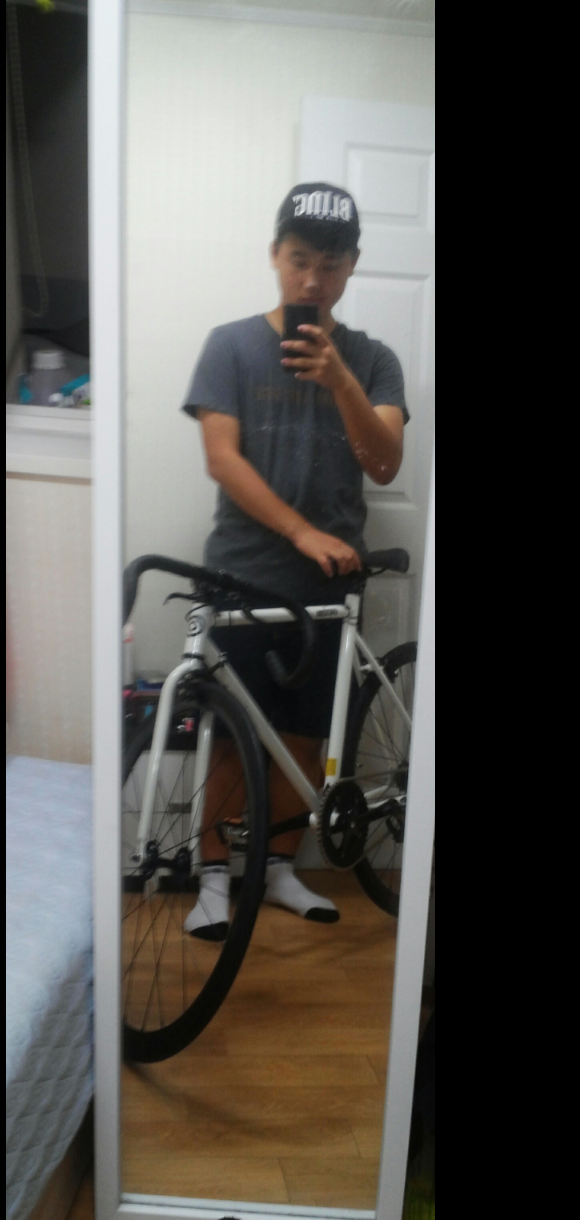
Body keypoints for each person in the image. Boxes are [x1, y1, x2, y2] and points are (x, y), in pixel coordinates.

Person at [181, 182, 409, 938]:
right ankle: (213, 876)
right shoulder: (230, 344)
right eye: (300, 259)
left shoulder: (373, 359)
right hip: (240, 574)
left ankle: (276, 868)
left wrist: (340, 380)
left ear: (352, 267)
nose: (313, 279)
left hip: (330, 584)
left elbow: (384, 463)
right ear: (276, 255)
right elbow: (222, 459)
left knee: (308, 739)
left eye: (331, 265)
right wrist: (301, 532)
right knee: (231, 737)